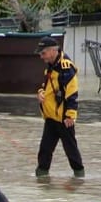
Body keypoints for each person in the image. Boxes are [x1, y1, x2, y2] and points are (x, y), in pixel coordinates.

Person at [35, 36, 84, 178]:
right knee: (44, 150)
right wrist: (40, 93)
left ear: (52, 51)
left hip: (63, 119)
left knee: (71, 150)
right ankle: (41, 178)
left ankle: (79, 176)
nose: (41, 56)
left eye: (43, 53)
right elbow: (45, 85)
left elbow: (72, 93)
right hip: (50, 117)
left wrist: (70, 115)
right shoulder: (51, 65)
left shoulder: (66, 67)